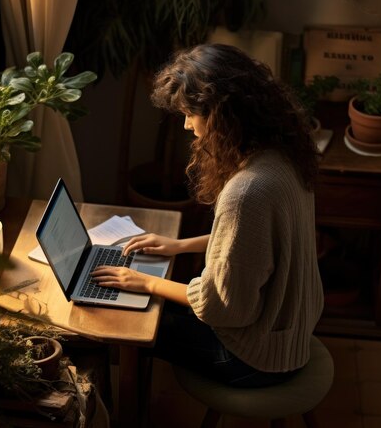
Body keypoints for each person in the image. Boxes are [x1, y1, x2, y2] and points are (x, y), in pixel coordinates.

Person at [91, 43, 324, 388]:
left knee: (128, 324)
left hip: (253, 358)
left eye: (190, 113)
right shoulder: (283, 154)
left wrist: (146, 282)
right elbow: (255, 245)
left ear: (220, 115)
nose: (186, 125)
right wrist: (178, 246)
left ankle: (127, 416)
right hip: (288, 331)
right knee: (151, 306)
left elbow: (224, 308)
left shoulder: (247, 191)